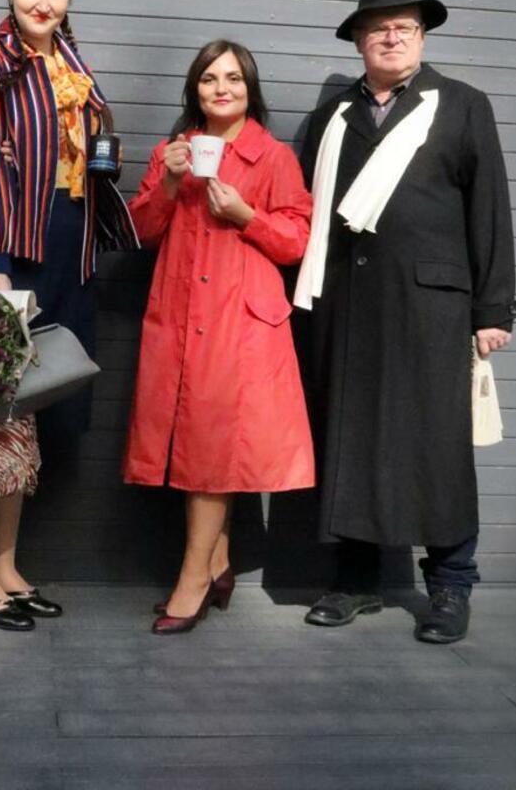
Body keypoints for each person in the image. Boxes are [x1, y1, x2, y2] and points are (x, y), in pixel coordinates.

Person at [295, 0, 516, 643]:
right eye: (378, 29)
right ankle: (356, 580)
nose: (391, 38)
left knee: (436, 447)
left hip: (431, 308)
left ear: (420, 37)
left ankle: (450, 585)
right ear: (358, 42)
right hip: (347, 305)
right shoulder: (333, 117)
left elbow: (490, 210)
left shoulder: (461, 105)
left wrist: (492, 310)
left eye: (403, 27)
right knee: (351, 438)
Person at [0, 0, 137, 631]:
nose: (43, 1)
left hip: (67, 256)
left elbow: (87, 166)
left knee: (28, 420)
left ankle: (5, 566)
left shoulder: (74, 68)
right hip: (8, 257)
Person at [123, 40, 315, 635]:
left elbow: (299, 242)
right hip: (181, 314)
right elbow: (141, 231)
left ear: (250, 89)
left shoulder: (274, 157)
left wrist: (246, 216)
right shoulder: (172, 152)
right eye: (209, 78)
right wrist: (169, 181)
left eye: (233, 78)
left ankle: (193, 580)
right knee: (200, 445)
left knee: (212, 450)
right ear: (195, 89)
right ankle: (219, 562)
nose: (221, 88)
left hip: (241, 320)